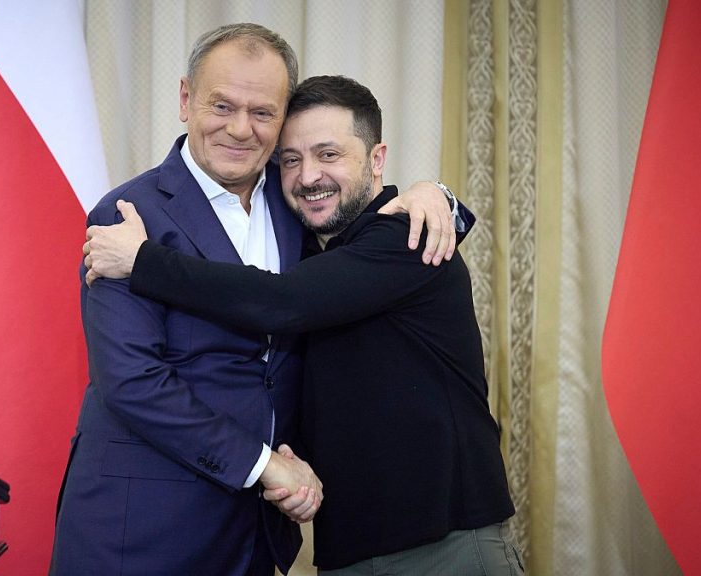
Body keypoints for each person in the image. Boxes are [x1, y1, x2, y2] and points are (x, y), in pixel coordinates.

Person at [50, 24, 461, 576]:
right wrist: (263, 465)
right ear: (185, 100)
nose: (240, 129)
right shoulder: (125, 217)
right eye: (222, 105)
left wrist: (434, 195)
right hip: (140, 528)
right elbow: (131, 381)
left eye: (263, 112)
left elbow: (326, 271)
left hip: (255, 537)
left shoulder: (298, 199)